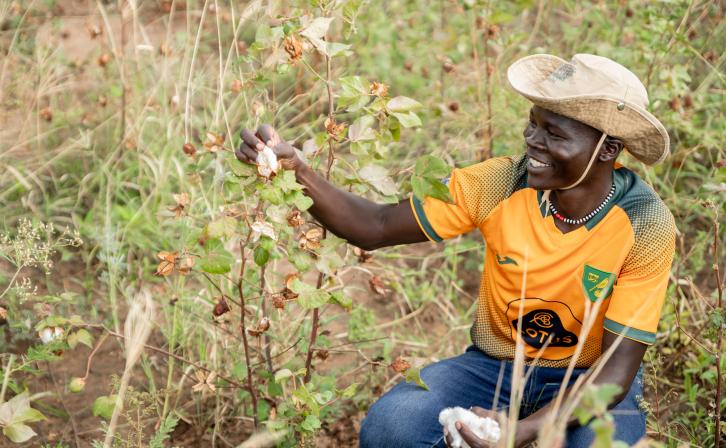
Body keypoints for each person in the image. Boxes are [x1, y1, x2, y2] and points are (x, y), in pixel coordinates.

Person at [235, 53, 676, 447]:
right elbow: (376, 225)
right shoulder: (497, 183)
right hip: (496, 367)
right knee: (392, 428)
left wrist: (518, 432)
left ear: (609, 149)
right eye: (533, 123)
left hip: (588, 378)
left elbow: (615, 374)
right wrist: (299, 171)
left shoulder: (645, 225)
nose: (532, 141)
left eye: (554, 134)